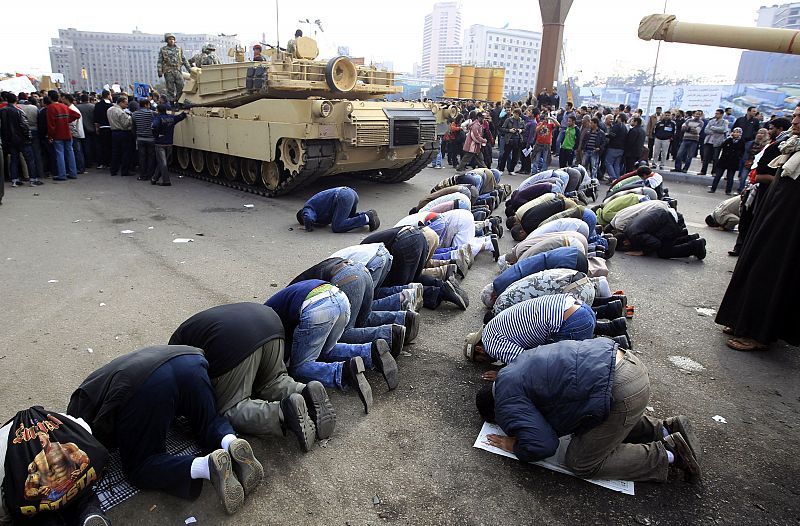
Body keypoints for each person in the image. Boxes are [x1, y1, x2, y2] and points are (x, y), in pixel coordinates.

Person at [67, 345, 264, 515]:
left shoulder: (79, 409)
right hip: (189, 360)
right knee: (209, 420)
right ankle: (230, 442)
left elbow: (99, 442)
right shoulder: (95, 382)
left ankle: (207, 466)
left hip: (145, 386)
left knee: (139, 467)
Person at [475, 338, 702, 482]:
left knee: (580, 462)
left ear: (495, 413)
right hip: (627, 365)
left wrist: (513, 444)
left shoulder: (506, 401)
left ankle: (670, 454)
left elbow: (543, 445)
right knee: (595, 416)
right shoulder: (514, 369)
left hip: (621, 390)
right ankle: (664, 428)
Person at [169, 303, 336, 453]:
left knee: (230, 407)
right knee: (273, 380)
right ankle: (305, 390)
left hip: (232, 339)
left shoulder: (173, 358)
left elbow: (195, 382)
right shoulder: (184, 335)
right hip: (269, 322)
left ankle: (283, 412)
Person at [716, 110, 800, 351]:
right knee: (754, 264)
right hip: (770, 218)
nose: (794, 121)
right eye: (795, 115)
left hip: (789, 230)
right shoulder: (790, 145)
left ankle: (759, 333)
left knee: (771, 273)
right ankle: (741, 321)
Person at [265, 280, 396, 414]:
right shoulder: (274, 305)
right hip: (340, 298)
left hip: (316, 307)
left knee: (298, 367)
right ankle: (370, 352)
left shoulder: (266, 323)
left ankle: (342, 372)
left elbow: (278, 349)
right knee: (325, 350)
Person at [463, 294, 597, 368]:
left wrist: (501, 374)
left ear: (480, 349)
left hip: (572, 322)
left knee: (564, 369)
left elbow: (527, 363)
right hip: (578, 307)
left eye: (480, 360)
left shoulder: (490, 344)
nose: (486, 363)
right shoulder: (493, 325)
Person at [730, 117, 791, 255]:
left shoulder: (782, 145)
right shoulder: (775, 143)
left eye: (771, 128)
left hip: (764, 190)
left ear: (780, 129)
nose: (769, 131)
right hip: (755, 186)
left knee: (754, 221)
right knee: (746, 219)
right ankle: (740, 247)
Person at [0, 93, 42, 187]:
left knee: (14, 159)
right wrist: (28, 136)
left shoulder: (2, 111)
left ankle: (14, 180)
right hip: (22, 139)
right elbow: (24, 126)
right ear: (16, 100)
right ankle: (33, 179)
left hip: (10, 139)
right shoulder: (18, 111)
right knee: (29, 159)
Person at [297, 186, 380, 233]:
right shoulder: (317, 208)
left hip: (343, 196)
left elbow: (308, 217)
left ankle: (367, 217)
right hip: (350, 193)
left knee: (337, 227)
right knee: (347, 219)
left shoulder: (307, 208)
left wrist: (307, 227)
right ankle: (368, 215)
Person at [45, 90, 81, 181]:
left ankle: (62, 174)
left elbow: (51, 124)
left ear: (49, 98)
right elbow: (77, 115)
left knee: (60, 154)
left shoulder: (50, 108)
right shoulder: (64, 106)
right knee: (70, 152)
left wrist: (50, 136)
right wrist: (67, 121)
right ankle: (73, 173)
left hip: (57, 134)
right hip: (67, 133)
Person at [709, 127, 745, 194]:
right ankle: (713, 188)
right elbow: (722, 146)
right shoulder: (729, 140)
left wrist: (738, 157)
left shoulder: (742, 141)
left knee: (730, 177)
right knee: (718, 175)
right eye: (734, 132)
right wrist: (729, 138)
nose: (736, 134)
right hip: (724, 160)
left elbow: (742, 151)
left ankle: (728, 191)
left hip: (733, 162)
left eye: (738, 132)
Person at [157, 33, 191, 104]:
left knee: (181, 86)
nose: (171, 40)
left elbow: (184, 59)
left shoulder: (179, 49)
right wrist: (159, 71)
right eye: (170, 39)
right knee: (170, 89)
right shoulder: (163, 50)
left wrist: (189, 69)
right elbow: (160, 61)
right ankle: (172, 104)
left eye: (173, 39)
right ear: (167, 40)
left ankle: (180, 102)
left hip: (177, 70)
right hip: (168, 71)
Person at [107, 96, 133, 177]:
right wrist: (130, 118)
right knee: (125, 152)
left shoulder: (109, 109)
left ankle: (113, 170)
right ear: (121, 102)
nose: (126, 105)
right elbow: (125, 125)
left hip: (114, 132)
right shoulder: (121, 112)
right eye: (126, 104)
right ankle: (124, 171)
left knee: (115, 152)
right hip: (123, 133)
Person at [699, 109, 729, 175]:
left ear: (721, 114)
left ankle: (714, 172)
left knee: (715, 158)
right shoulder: (711, 121)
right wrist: (716, 131)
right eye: (715, 113)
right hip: (708, 141)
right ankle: (703, 171)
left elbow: (723, 130)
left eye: (717, 113)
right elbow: (706, 130)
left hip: (717, 142)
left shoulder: (724, 122)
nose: (716, 115)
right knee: (705, 157)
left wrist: (713, 128)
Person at [132, 98, 156, 181]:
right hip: (150, 138)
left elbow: (134, 127)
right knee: (151, 157)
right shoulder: (152, 113)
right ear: (146, 105)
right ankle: (150, 175)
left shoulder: (134, 114)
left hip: (140, 138)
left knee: (142, 158)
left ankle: (142, 175)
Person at [604, 113, 628, 182]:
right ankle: (618, 179)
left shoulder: (617, 126)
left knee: (608, 162)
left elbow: (612, 135)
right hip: (621, 148)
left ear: (619, 118)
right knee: (616, 164)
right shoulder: (625, 127)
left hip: (613, 147)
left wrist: (606, 134)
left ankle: (613, 178)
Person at [93, 91, 113, 169]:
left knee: (102, 146)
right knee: (110, 146)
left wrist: (97, 127)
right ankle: (109, 163)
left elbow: (96, 117)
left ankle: (101, 163)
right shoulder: (111, 105)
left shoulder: (98, 105)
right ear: (108, 95)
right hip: (110, 127)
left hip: (101, 127)